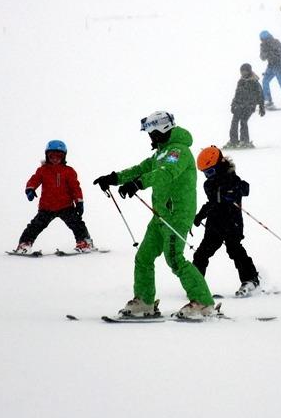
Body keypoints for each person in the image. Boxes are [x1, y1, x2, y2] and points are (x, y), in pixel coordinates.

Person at [93, 112, 217, 319]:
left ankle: (203, 302)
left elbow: (166, 173)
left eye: (152, 133)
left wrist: (138, 184)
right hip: (160, 216)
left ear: (162, 130)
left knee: (175, 259)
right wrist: (114, 178)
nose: (150, 137)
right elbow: (141, 169)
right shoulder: (161, 153)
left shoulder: (178, 151)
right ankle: (144, 302)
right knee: (143, 257)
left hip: (177, 215)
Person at [192, 146, 261, 297]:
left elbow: (245, 189)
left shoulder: (231, 178)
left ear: (218, 165)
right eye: (204, 173)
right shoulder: (209, 184)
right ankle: (195, 283)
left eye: (209, 172)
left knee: (234, 249)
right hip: (214, 224)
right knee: (201, 254)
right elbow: (211, 203)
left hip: (232, 222)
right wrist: (199, 216)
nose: (207, 176)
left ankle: (251, 279)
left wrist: (233, 191)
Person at [13, 140, 93, 254]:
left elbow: (75, 188)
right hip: (47, 207)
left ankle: (85, 242)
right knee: (35, 226)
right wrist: (30, 189)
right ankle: (24, 244)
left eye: (58, 156)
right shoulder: (43, 170)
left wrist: (79, 202)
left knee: (77, 224)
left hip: (66, 206)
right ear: (47, 156)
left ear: (64, 156)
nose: (55, 158)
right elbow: (34, 179)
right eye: (51, 156)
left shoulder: (68, 171)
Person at [227, 63, 265, 149]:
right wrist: (233, 104)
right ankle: (233, 141)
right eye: (242, 71)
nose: (243, 73)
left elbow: (260, 95)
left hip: (249, 106)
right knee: (234, 121)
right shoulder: (241, 81)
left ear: (249, 71)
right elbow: (237, 94)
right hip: (239, 105)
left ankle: (245, 141)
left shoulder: (254, 82)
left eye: (245, 71)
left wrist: (261, 107)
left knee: (243, 121)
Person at [259, 30, 281, 108]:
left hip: (278, 66)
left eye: (267, 38)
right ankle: (268, 100)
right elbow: (262, 57)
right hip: (271, 66)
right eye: (264, 39)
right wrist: (267, 53)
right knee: (265, 81)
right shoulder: (264, 45)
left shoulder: (275, 42)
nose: (266, 41)